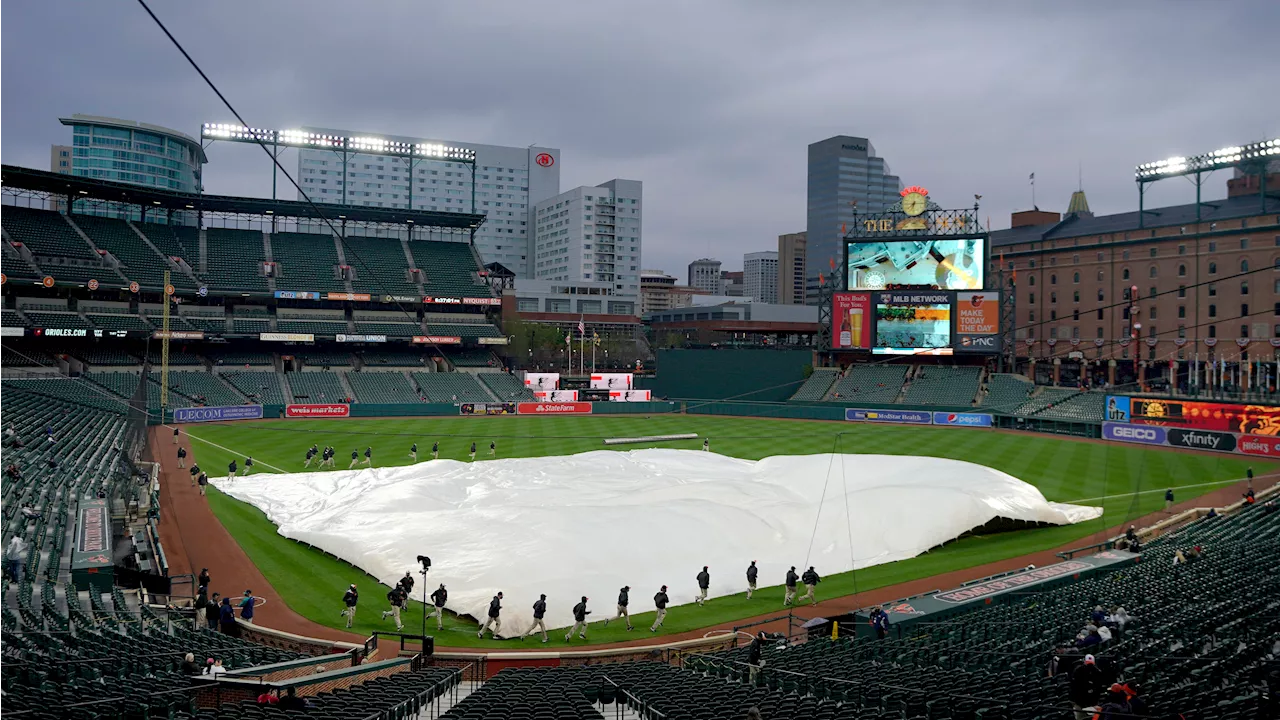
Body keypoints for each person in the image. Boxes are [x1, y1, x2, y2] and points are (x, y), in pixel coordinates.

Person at [1069, 654, 1103, 720]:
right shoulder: (1079, 671)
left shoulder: (1097, 672)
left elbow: (1098, 689)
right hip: (1081, 703)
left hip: (1091, 704)